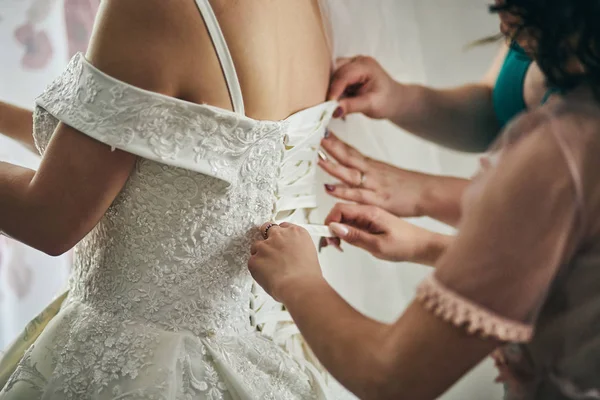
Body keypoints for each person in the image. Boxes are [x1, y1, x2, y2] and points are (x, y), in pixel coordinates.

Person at [0, 0, 352, 398]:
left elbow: (49, 217)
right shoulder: (308, 12)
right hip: (266, 367)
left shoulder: (156, 7)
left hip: (135, 366)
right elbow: (167, 169)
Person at [249, 0, 600, 398]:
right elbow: (570, 260)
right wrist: (428, 244)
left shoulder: (563, 154)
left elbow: (392, 376)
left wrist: (297, 281)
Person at [318, 17, 550, 257]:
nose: (502, 25)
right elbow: (499, 109)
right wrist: (398, 99)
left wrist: (425, 194)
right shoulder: (525, 15)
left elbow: (553, 233)